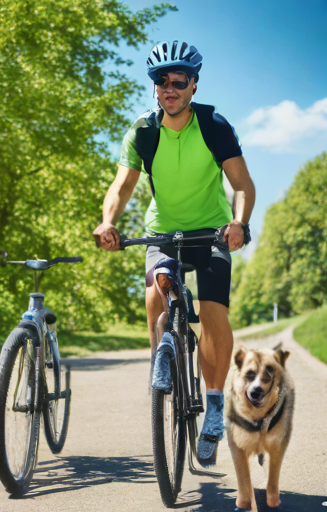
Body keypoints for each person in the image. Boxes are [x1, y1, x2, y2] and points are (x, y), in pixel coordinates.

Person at [93, 40, 255, 467]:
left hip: (212, 233)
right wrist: (108, 222)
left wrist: (238, 224)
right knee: (154, 293)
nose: (169, 87)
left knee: (214, 312)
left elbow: (242, 184)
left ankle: (216, 406)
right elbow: (122, 185)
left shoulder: (214, 125)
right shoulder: (143, 131)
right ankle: (161, 361)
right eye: (161, 81)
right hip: (163, 231)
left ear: (193, 85)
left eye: (178, 80)